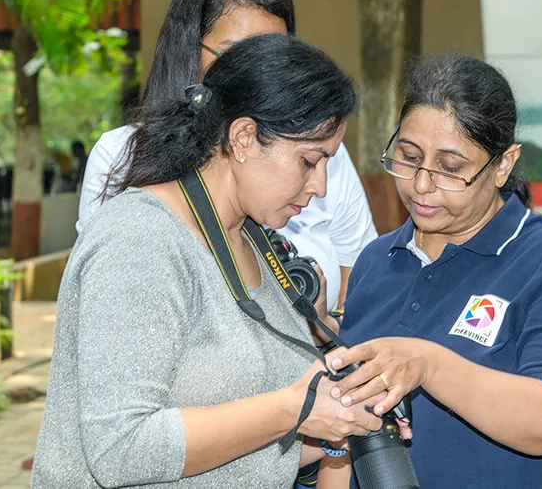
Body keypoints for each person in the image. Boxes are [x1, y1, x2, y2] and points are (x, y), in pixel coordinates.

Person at [30, 34, 385, 488]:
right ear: (243, 138)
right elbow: (119, 449)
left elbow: (243, 449)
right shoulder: (140, 239)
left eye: (327, 164)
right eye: (309, 161)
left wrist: (347, 422)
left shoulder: (253, 239)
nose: (321, 187)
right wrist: (291, 408)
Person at [323, 54, 542, 488]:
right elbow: (347, 436)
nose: (421, 183)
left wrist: (428, 365)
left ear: (504, 165)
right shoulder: (375, 261)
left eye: (451, 168)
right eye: (409, 156)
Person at [77, 0, 377, 322]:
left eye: (273, 53)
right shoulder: (121, 158)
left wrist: (328, 330)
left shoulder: (321, 153)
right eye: (237, 52)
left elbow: (360, 275)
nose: (257, 69)